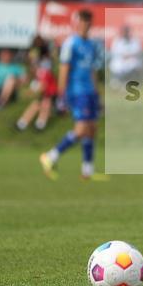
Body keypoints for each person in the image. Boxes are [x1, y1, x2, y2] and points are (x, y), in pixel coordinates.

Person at [39, 9, 103, 180]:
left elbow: (93, 71)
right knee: (81, 129)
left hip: (90, 92)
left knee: (92, 129)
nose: (85, 26)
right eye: (82, 23)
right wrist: (61, 96)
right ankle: (50, 156)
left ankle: (87, 171)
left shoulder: (91, 44)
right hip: (76, 91)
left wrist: (97, 94)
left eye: (88, 23)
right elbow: (64, 69)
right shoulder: (70, 43)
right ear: (77, 23)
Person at [16, 37, 57, 131]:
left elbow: (43, 86)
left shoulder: (44, 68)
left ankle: (38, 124)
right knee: (37, 103)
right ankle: (23, 123)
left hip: (51, 95)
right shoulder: (38, 68)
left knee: (44, 103)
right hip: (45, 94)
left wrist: (29, 92)